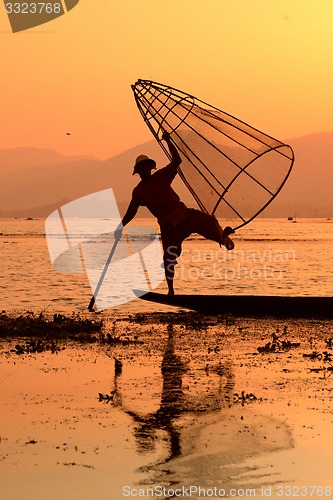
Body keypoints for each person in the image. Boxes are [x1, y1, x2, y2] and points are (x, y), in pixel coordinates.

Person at [114, 131, 235, 295]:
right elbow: (131, 211)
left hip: (183, 214)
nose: (144, 170)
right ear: (138, 171)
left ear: (150, 167)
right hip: (168, 225)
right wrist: (120, 226)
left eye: (146, 166)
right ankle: (171, 291)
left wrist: (168, 140)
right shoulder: (139, 192)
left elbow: (177, 161)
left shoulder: (161, 175)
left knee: (210, 221)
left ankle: (224, 238)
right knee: (168, 258)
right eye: (140, 168)